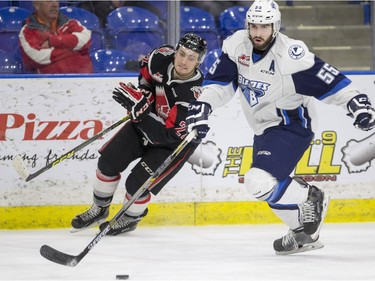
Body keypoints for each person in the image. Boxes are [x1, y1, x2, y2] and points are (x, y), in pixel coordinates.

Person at [186, 0, 375, 255]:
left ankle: (311, 197)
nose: (257, 32)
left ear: (275, 26)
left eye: (264, 26)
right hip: (264, 128)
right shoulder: (237, 45)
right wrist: (204, 104)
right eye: (253, 25)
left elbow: (330, 81)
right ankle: (303, 233)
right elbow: (222, 83)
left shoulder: (291, 56)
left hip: (292, 124)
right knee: (268, 190)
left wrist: (356, 102)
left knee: (259, 180)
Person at [71, 33, 208, 235]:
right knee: (107, 163)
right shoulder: (160, 57)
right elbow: (145, 75)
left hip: (174, 142)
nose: (184, 61)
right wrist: (144, 94)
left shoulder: (194, 94)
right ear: (176, 51)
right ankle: (99, 209)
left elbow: (166, 134)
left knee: (137, 184)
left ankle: (130, 218)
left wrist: (142, 113)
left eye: (191, 57)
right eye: (182, 53)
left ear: (199, 62)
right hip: (145, 122)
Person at [18, 0, 93, 74]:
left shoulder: (71, 23)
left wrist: (53, 41)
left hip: (84, 81)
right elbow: (37, 57)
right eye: (49, 1)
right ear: (37, 5)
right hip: (49, 83)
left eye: (56, 0)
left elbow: (86, 40)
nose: (55, 4)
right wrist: (74, 49)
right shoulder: (27, 31)